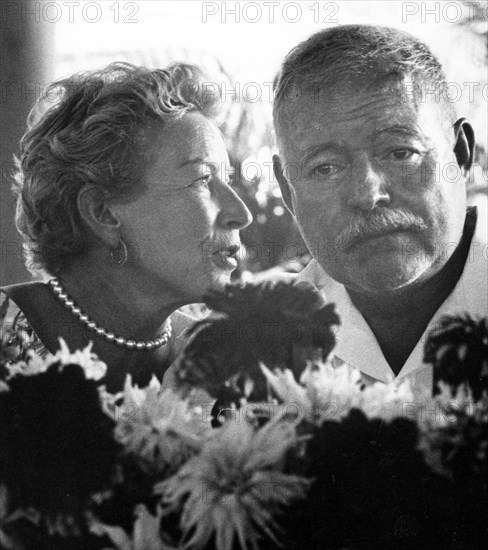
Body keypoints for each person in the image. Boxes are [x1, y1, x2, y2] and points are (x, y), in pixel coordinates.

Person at [0, 62, 252, 392]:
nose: (240, 213)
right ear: (102, 213)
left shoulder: (220, 359)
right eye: (203, 179)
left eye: (228, 180)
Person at [272, 25, 487, 395]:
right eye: (325, 168)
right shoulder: (255, 354)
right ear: (287, 190)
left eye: (400, 153)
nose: (368, 195)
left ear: (461, 155)